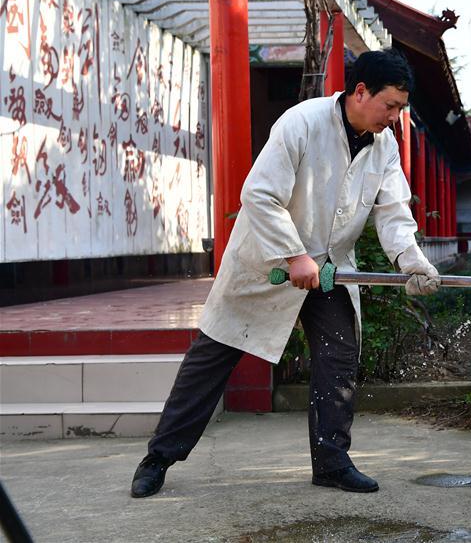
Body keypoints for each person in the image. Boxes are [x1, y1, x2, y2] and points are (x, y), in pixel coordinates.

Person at [130, 49, 440, 498]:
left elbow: (392, 211)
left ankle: (332, 462)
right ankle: (158, 458)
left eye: (399, 109)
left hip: (330, 269)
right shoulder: (302, 123)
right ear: (359, 92)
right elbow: (258, 194)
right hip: (266, 261)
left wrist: (412, 261)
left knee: (338, 359)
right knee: (212, 359)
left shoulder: (384, 145)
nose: (393, 118)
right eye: (389, 106)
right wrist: (294, 255)